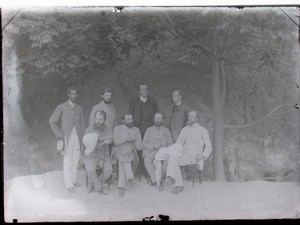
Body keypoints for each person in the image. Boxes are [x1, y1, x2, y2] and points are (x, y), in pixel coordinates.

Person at [155, 110, 212, 193]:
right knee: (173, 156)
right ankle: (175, 181)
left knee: (174, 159)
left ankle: (174, 180)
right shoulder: (184, 130)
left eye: (192, 116)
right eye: (189, 116)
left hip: (195, 154)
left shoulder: (203, 130)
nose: (189, 118)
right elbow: (178, 143)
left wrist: (203, 156)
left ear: (197, 118)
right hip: (184, 152)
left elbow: (209, 147)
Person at [49, 87, 85, 193]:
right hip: (66, 137)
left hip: (77, 137)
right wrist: (59, 135)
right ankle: (68, 184)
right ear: (68, 94)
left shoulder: (79, 108)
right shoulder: (61, 107)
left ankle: (73, 181)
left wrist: (82, 137)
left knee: (75, 160)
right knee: (68, 161)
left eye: (76, 94)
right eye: (72, 94)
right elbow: (52, 122)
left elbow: (82, 124)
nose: (74, 96)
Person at [129, 84, 158, 178]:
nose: (144, 91)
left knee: (148, 148)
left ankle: (147, 172)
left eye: (146, 89)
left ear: (148, 91)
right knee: (138, 148)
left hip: (149, 129)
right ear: (139, 91)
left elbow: (157, 115)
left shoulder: (153, 102)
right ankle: (139, 170)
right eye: (142, 89)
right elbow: (130, 116)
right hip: (138, 128)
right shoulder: (133, 102)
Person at [112, 114, 142, 197]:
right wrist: (127, 137)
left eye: (131, 119)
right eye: (128, 119)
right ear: (123, 121)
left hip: (130, 152)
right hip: (117, 151)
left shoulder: (136, 130)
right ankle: (130, 176)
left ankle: (121, 186)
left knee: (123, 159)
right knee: (124, 154)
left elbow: (139, 147)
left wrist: (135, 140)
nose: (131, 121)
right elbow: (115, 142)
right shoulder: (117, 128)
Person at [82, 110, 113, 193]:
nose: (98, 121)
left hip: (103, 155)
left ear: (104, 120)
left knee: (109, 171)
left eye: (100, 119)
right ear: (94, 118)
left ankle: (93, 184)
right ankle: (98, 187)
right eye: (96, 119)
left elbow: (110, 138)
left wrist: (96, 139)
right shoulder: (88, 129)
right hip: (91, 155)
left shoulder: (108, 129)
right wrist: (101, 140)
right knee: (90, 169)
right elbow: (87, 142)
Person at [142, 113, 173, 188]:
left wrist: (165, 150)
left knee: (167, 161)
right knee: (147, 159)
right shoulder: (149, 130)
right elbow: (144, 142)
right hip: (152, 151)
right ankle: (155, 180)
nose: (157, 120)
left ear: (163, 120)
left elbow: (171, 143)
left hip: (163, 152)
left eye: (159, 118)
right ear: (153, 119)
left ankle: (160, 179)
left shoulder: (166, 130)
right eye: (156, 118)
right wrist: (152, 146)